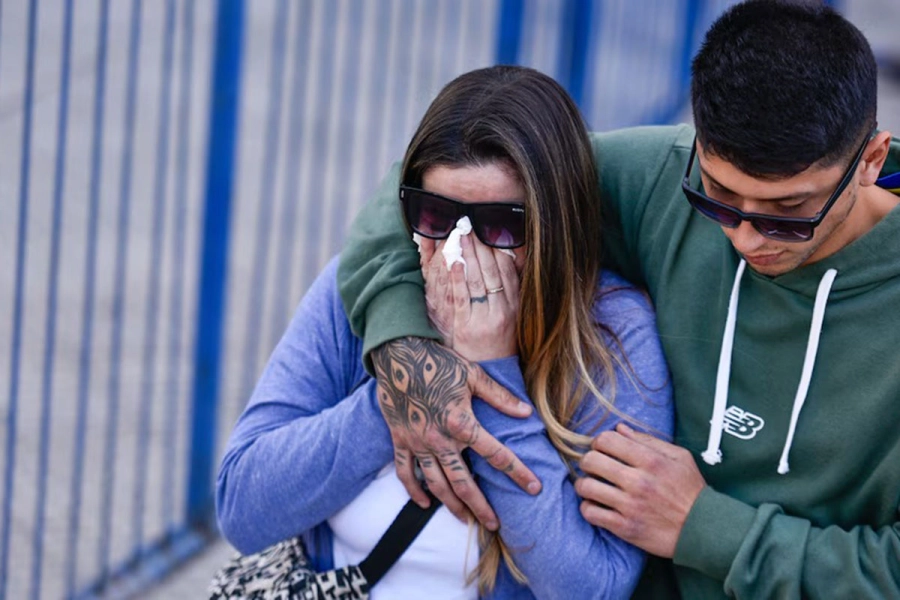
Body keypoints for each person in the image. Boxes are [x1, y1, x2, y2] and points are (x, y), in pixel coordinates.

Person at [335, 1, 900, 598]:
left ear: (869, 159)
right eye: (719, 196)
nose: (745, 235)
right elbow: (430, 181)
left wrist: (706, 529)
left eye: (790, 213)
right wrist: (404, 348)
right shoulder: (659, 176)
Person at [216, 65, 672, 599]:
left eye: (500, 225)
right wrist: (404, 390)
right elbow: (242, 507)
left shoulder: (612, 335)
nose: (460, 252)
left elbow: (591, 589)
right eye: (434, 215)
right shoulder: (369, 290)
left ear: (556, 227)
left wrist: (494, 370)